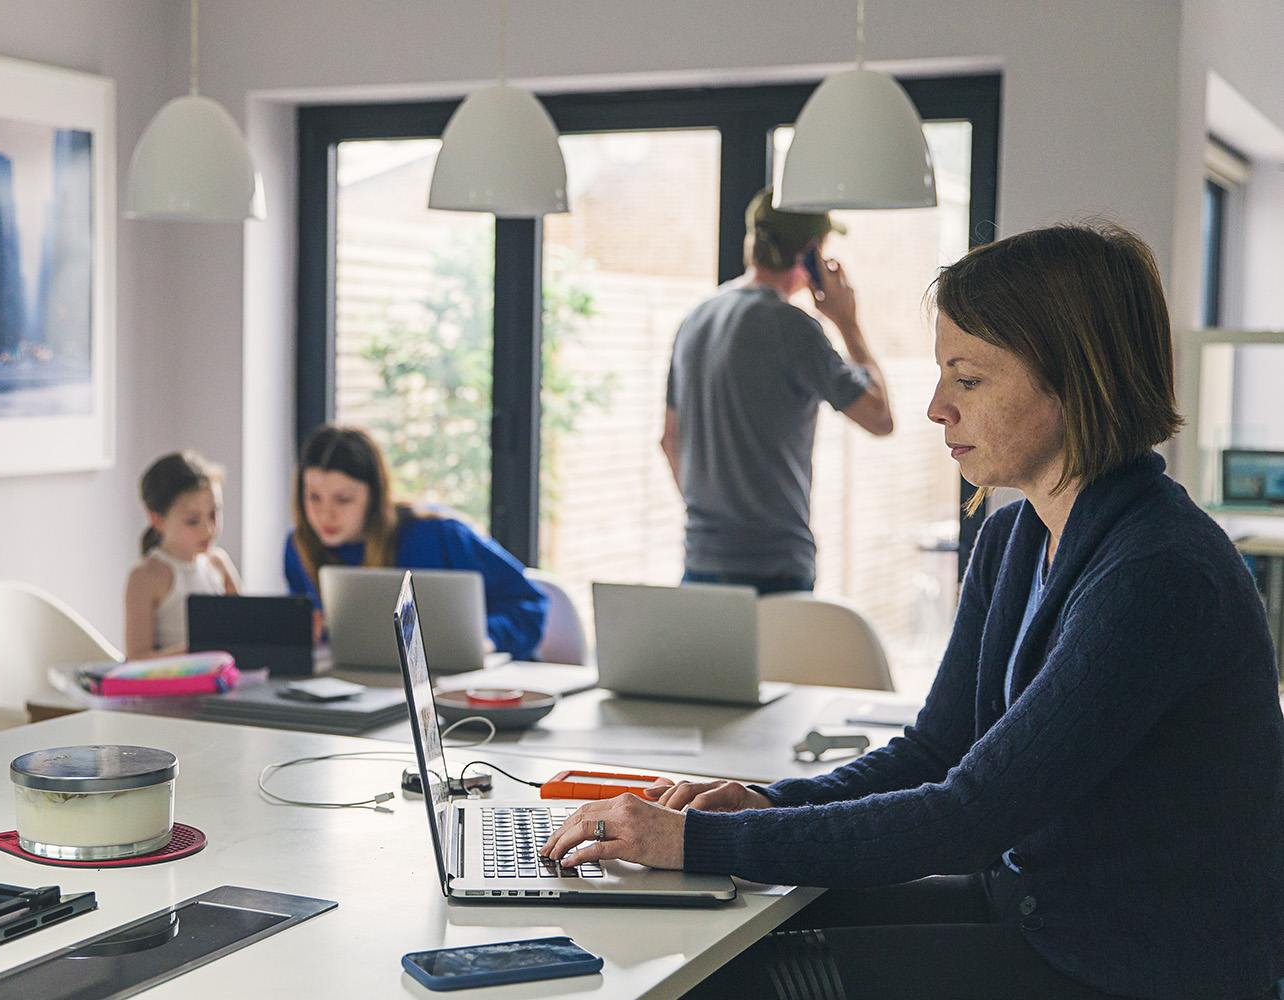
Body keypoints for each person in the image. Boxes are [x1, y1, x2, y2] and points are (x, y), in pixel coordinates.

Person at [543, 223, 1284, 1000]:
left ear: (1075, 378)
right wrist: (766, 801)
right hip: (1038, 914)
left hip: (1128, 968)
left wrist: (700, 838)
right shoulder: (1015, 537)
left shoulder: (1158, 572)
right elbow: (935, 753)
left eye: (967, 379)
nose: (935, 408)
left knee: (738, 981)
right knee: (725, 935)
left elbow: (969, 814)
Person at [661, 187, 894, 595]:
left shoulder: (694, 320)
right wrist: (847, 322)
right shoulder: (792, 328)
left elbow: (669, 440)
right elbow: (879, 417)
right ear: (810, 254)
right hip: (775, 571)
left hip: (699, 563)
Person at [283, 425, 548, 661]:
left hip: (467, 686)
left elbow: (530, 603)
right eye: (313, 497)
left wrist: (486, 640)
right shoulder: (299, 548)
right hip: (366, 687)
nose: (325, 515)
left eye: (343, 500)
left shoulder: (438, 533)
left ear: (375, 497)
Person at [125, 451, 242, 659]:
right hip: (173, 687)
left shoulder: (219, 563)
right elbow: (137, 658)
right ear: (158, 520)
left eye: (214, 513)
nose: (209, 529)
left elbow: (247, 628)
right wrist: (199, 651)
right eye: (192, 521)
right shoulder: (145, 577)